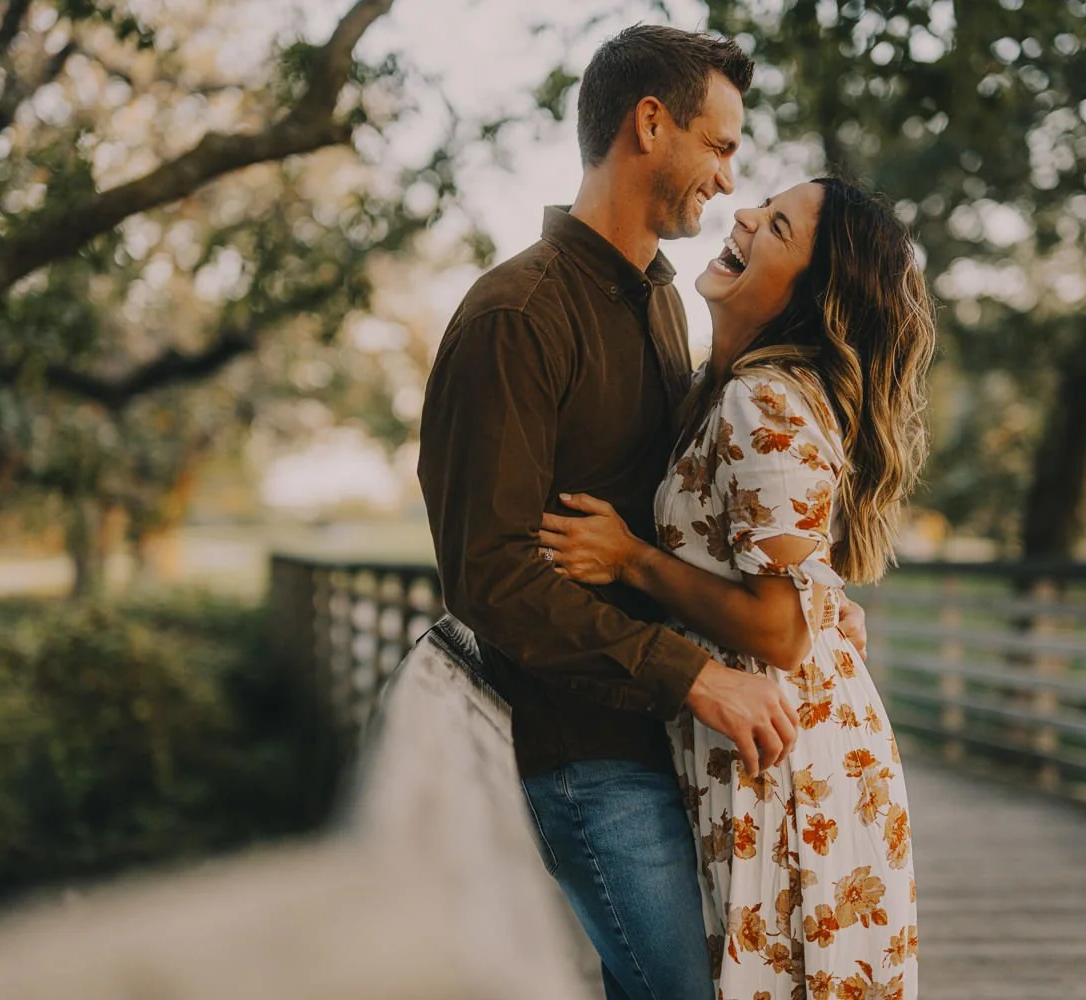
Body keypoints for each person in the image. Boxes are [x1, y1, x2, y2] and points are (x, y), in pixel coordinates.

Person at [419, 25, 841, 1000]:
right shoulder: (516, 315)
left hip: (665, 744)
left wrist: (807, 591)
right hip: (586, 757)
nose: (729, 182)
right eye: (722, 146)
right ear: (651, 123)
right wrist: (692, 673)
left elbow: (678, 512)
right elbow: (492, 576)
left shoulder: (660, 299)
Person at [539, 177, 937, 1000]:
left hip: (784, 760)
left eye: (778, 226)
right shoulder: (724, 390)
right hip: (761, 742)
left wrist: (630, 560)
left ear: (805, 295)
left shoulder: (764, 402)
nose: (745, 216)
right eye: (761, 203)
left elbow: (780, 630)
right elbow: (781, 576)